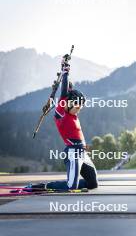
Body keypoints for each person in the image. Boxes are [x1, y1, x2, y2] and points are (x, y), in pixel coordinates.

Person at [25, 55, 98, 192]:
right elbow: (64, 92)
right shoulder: (61, 113)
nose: (79, 108)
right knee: (71, 187)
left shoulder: (71, 113)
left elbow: (69, 90)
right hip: (72, 153)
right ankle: (43, 186)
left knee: (93, 183)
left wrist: (65, 66)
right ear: (68, 103)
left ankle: (73, 181)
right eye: (77, 105)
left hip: (82, 153)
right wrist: (65, 72)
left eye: (81, 105)